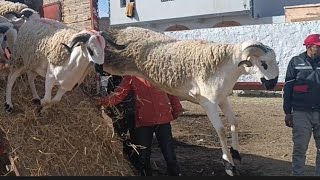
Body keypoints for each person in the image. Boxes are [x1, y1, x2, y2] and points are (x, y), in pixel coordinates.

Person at [97, 75, 183, 176]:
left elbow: (172, 92)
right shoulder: (134, 75)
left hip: (155, 121)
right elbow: (119, 94)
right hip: (150, 121)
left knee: (159, 154)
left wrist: (176, 110)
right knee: (153, 155)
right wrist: (103, 101)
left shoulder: (153, 73)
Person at [283, 33, 320, 176]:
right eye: (318, 46)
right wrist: (287, 112)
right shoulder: (295, 62)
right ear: (310, 47)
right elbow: (288, 88)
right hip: (300, 113)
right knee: (300, 148)